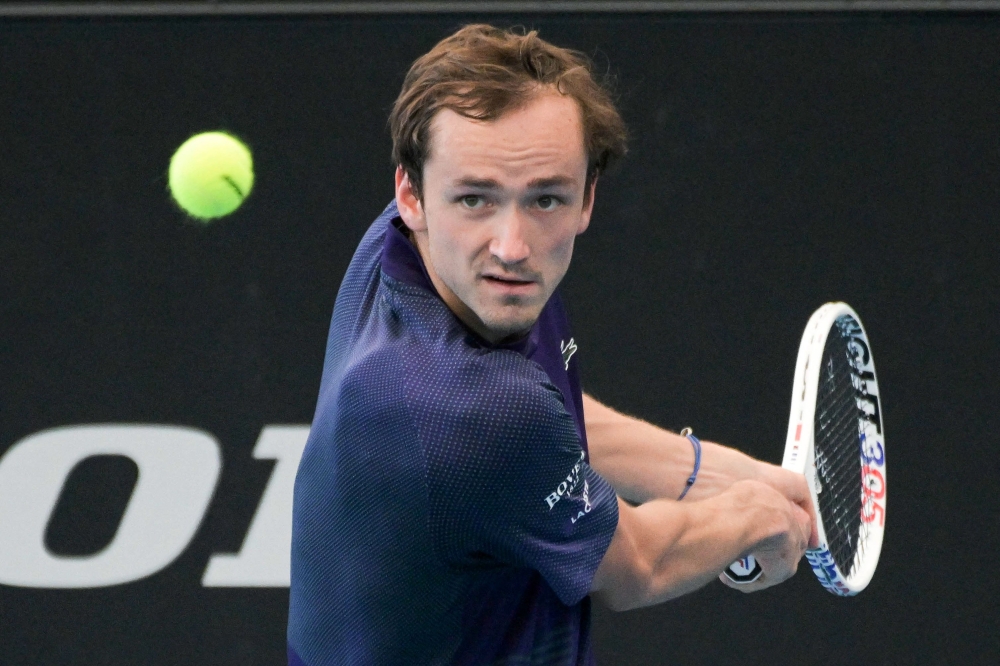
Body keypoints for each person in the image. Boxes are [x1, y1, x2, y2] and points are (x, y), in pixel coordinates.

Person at [287, 24, 816, 666]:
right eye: (476, 199)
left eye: (545, 200)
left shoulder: (406, 248)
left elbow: (546, 427)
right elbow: (640, 565)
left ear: (587, 197)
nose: (511, 247)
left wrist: (716, 472)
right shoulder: (471, 408)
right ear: (411, 194)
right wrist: (757, 515)